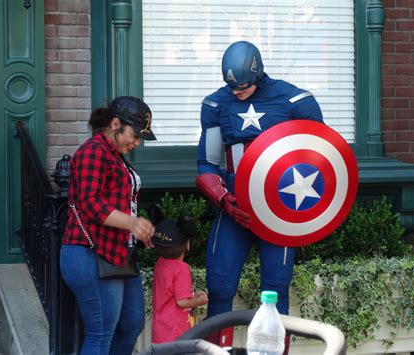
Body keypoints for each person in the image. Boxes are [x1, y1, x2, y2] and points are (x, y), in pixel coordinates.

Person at [195, 41, 324, 351]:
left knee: (276, 290)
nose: (237, 92)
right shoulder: (216, 105)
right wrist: (224, 200)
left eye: (243, 86)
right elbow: (208, 164)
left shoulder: (295, 101)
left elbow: (320, 157)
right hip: (234, 210)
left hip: (278, 212)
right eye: (233, 87)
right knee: (220, 287)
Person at [60, 96, 157, 355]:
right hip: (90, 252)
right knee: (101, 332)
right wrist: (133, 223)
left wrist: (138, 231)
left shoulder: (114, 154)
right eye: (134, 135)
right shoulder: (94, 151)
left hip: (118, 253)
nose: (136, 143)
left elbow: (120, 202)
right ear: (115, 124)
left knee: (131, 324)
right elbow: (90, 202)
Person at [150, 216, 209, 344]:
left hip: (160, 331)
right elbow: (182, 302)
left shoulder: (160, 264)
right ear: (187, 244)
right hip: (176, 332)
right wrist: (200, 300)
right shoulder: (181, 268)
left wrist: (192, 295)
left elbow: (170, 293)